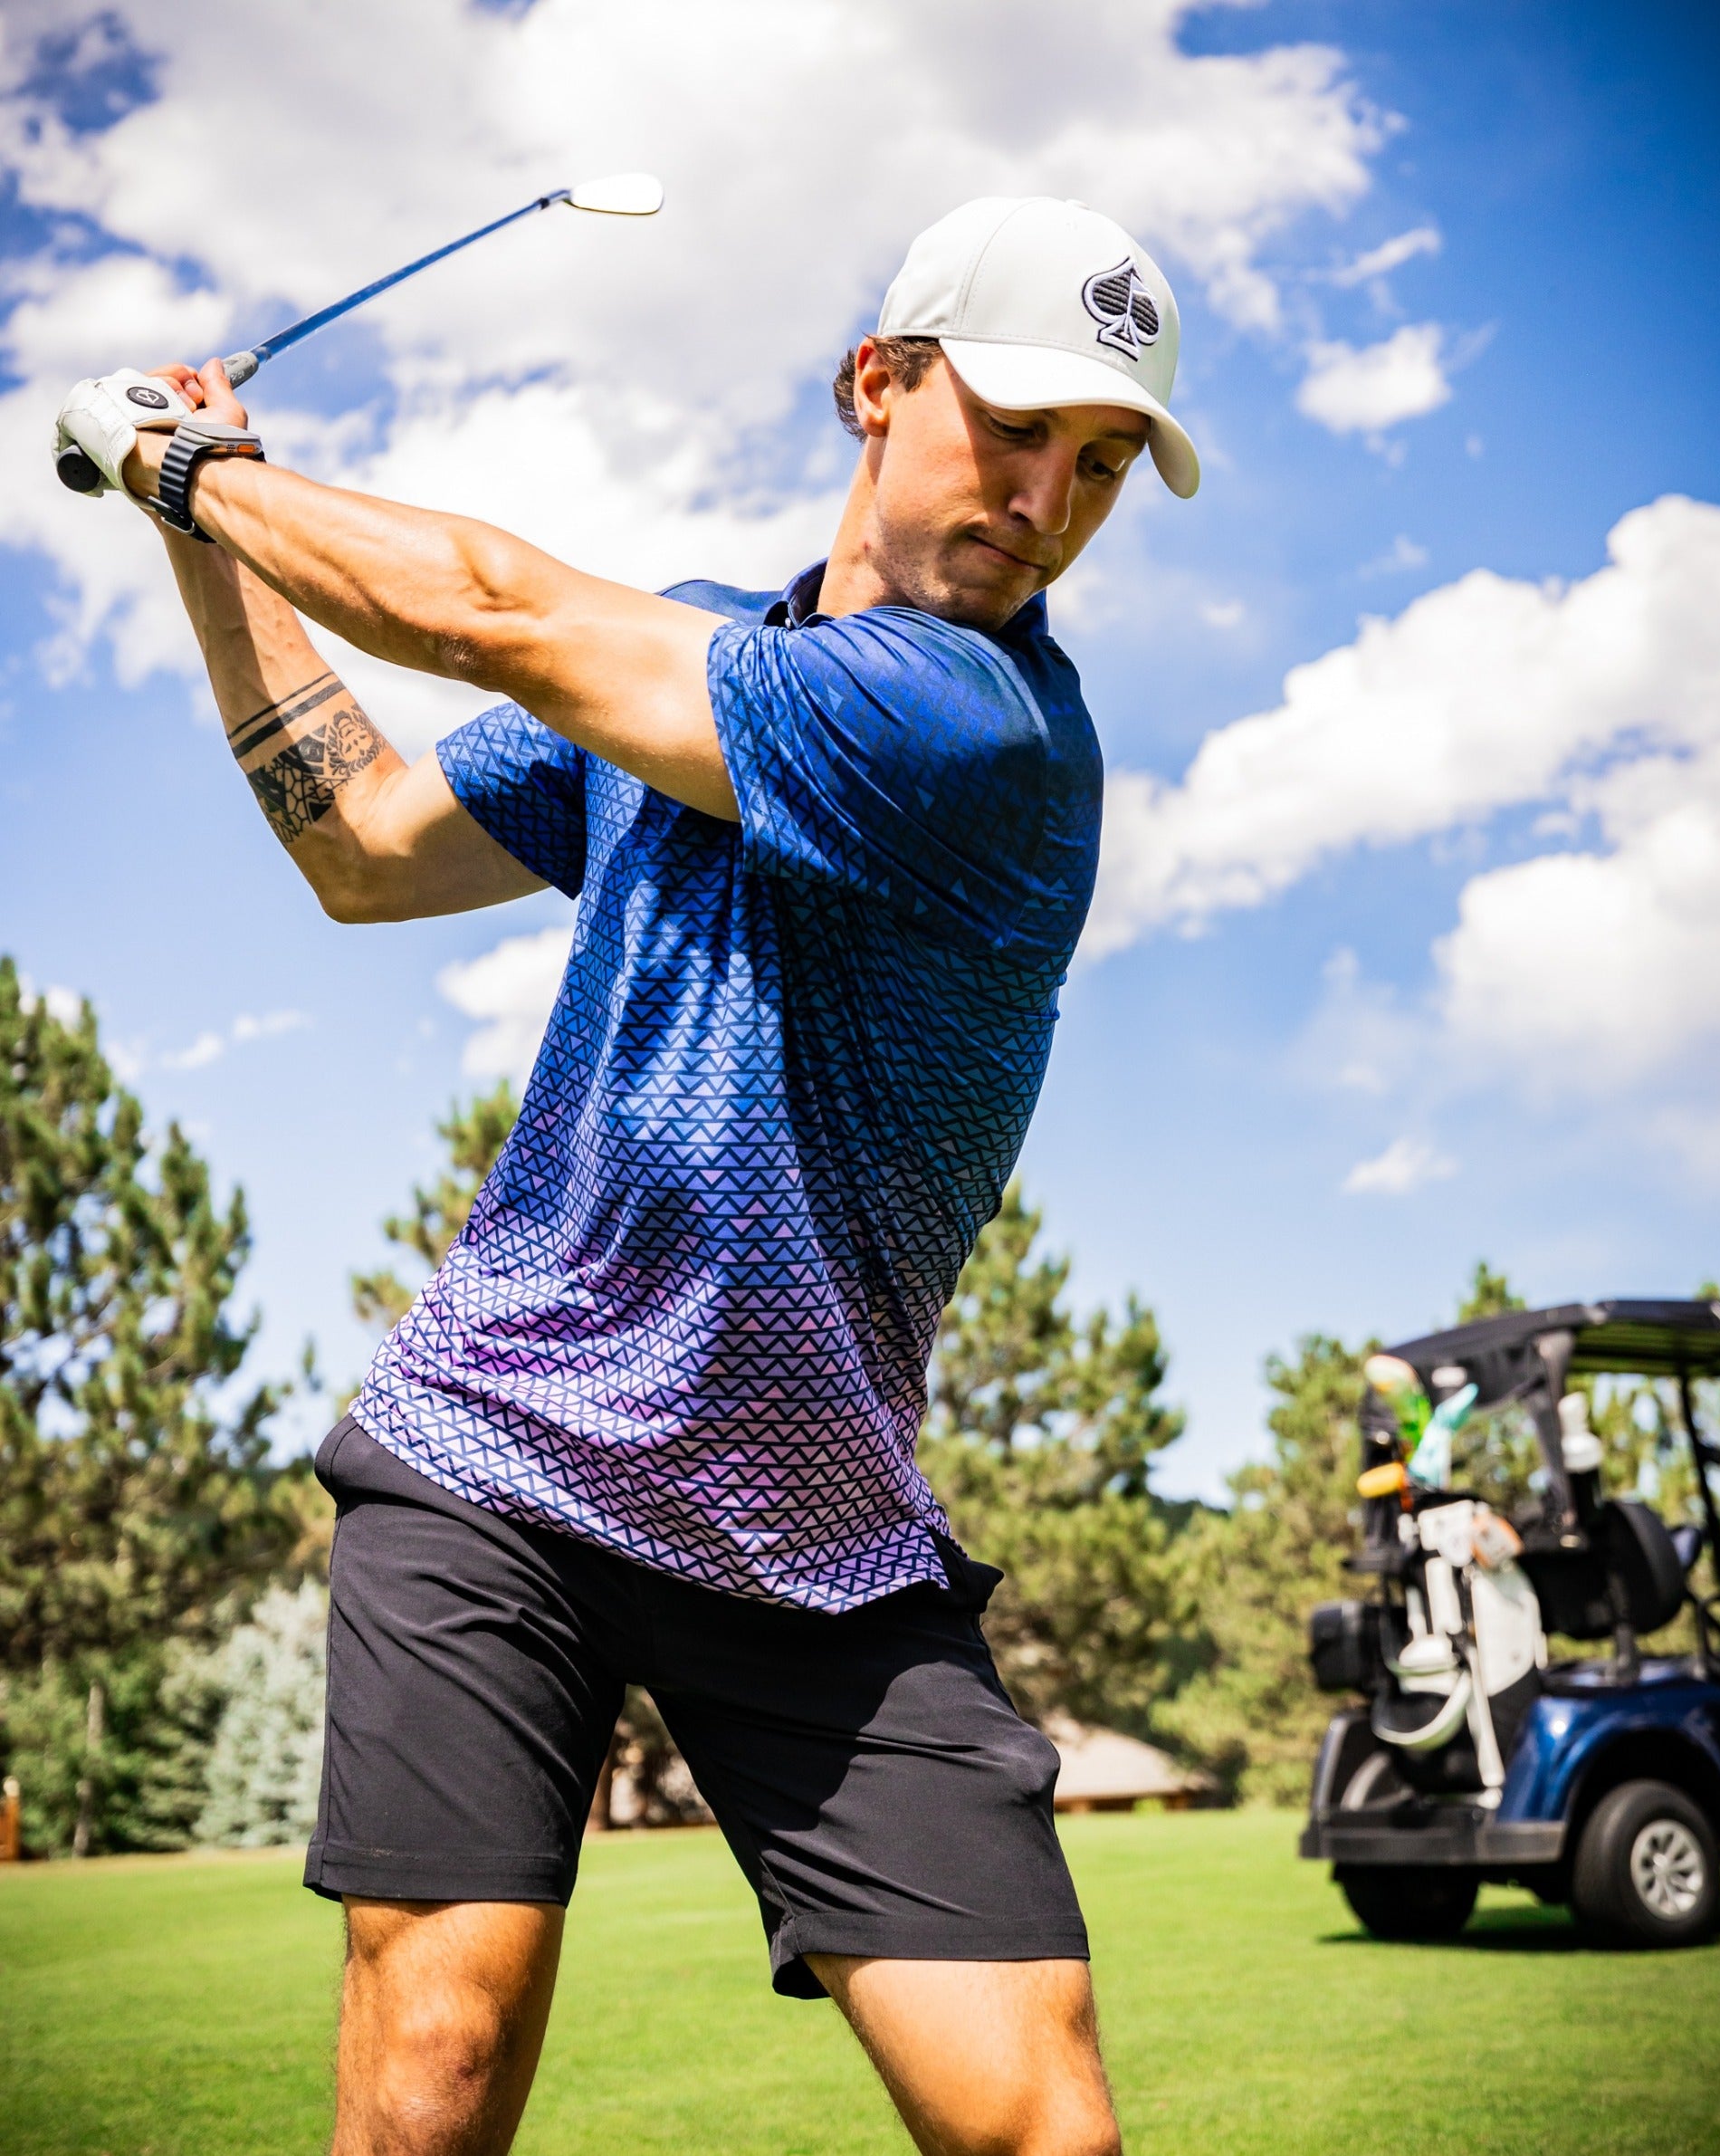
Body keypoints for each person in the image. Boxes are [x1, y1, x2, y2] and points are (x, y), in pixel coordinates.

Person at [56, 195, 1199, 2156]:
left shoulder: (974, 732)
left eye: (1100, 462)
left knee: (1041, 2124)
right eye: (1013, 423)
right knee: (429, 2073)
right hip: (495, 1453)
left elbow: (489, 607)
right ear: (876, 383)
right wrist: (199, 541)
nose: (1047, 493)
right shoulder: (684, 665)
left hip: (808, 1531)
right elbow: (365, 848)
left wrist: (187, 457)